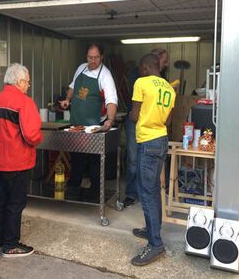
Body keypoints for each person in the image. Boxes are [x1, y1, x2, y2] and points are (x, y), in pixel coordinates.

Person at [0, 63, 43, 257]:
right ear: (19, 81)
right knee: (16, 203)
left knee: (1, 200)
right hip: (17, 161)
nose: (28, 85)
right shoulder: (24, 102)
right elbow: (32, 135)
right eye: (27, 81)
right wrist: (39, 139)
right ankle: (11, 245)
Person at [129, 53, 175, 266]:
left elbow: (135, 115)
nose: (140, 71)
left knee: (146, 193)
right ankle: (151, 229)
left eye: (141, 67)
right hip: (162, 140)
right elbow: (168, 119)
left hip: (147, 142)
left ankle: (155, 244)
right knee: (154, 189)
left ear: (146, 67)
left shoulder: (142, 83)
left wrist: (131, 114)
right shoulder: (168, 87)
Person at [59, 43, 118, 201]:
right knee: (76, 158)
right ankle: (73, 190)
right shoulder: (81, 68)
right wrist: (67, 99)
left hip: (93, 127)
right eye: (90, 57)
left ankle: (95, 194)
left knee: (94, 161)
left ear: (101, 57)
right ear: (86, 57)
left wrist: (110, 119)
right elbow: (73, 86)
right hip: (76, 125)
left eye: (96, 57)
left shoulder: (105, 75)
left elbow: (111, 100)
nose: (93, 61)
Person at [124, 49, 170, 208]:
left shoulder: (162, 81)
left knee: (144, 166)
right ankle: (132, 193)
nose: (166, 65)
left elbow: (136, 114)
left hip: (147, 131)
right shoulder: (137, 76)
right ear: (151, 64)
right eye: (164, 62)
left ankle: (146, 199)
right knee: (133, 158)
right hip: (151, 131)